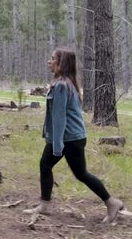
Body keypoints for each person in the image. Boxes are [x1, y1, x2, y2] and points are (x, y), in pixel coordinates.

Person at [23, 48, 124, 223]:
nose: (49, 61)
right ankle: (45, 205)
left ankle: (112, 202)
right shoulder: (65, 83)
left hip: (69, 138)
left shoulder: (62, 86)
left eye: (52, 58)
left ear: (61, 63)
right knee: (52, 166)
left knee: (78, 173)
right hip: (71, 137)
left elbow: (59, 117)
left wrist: (56, 144)